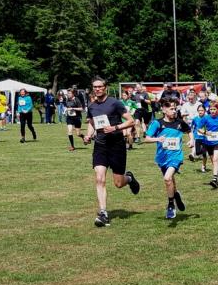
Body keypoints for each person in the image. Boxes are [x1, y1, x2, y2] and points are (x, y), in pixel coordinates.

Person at [82, 77, 140, 227]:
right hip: (100, 146)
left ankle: (129, 178)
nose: (97, 89)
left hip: (116, 146)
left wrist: (115, 128)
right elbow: (92, 123)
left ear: (105, 87)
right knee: (99, 178)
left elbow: (131, 121)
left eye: (100, 86)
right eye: (95, 87)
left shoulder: (115, 103)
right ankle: (103, 213)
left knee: (118, 183)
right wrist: (88, 135)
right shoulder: (92, 106)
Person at [143, 99, 190, 219]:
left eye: (175, 109)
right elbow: (147, 138)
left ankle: (170, 205)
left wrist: (192, 140)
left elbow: (189, 131)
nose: (174, 111)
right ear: (164, 110)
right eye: (171, 109)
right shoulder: (157, 123)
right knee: (170, 181)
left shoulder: (179, 122)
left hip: (176, 156)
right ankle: (176, 194)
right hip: (162, 157)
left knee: (167, 178)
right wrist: (157, 139)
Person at [65, 86, 85, 151]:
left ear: (73, 94)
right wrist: (66, 110)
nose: (68, 94)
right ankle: (72, 146)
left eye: (69, 93)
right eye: (67, 93)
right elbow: (67, 107)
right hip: (69, 118)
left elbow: (81, 109)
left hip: (77, 118)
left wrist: (73, 108)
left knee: (78, 134)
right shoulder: (67, 99)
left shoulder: (76, 99)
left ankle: (83, 137)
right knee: (69, 131)